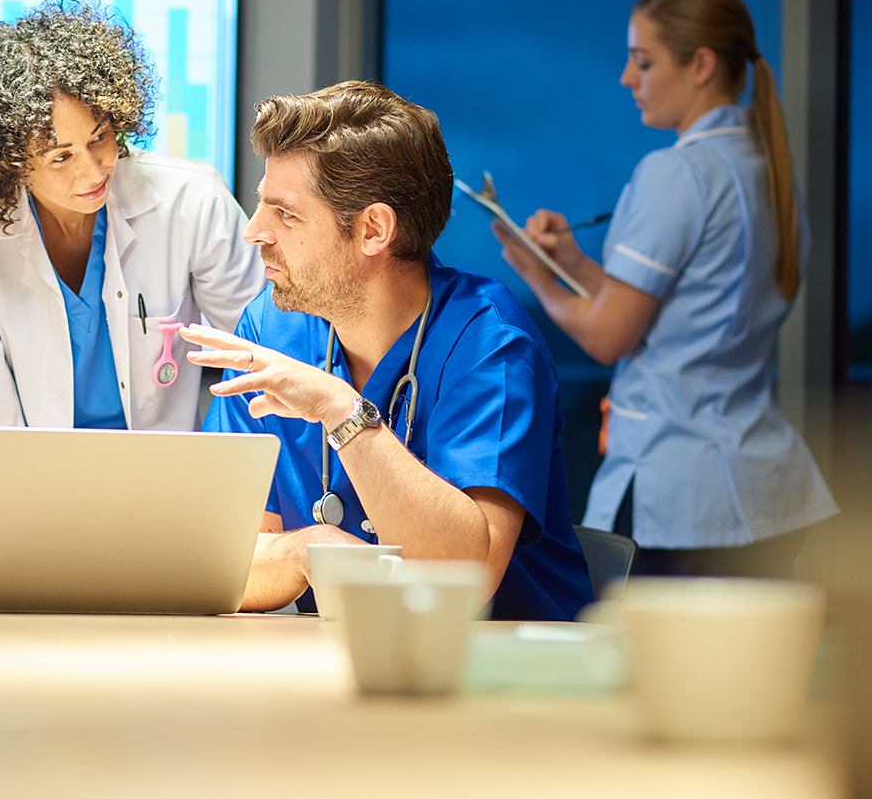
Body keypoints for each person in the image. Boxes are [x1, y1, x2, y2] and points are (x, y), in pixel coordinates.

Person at [188, 81, 593, 622]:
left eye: (285, 214)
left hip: (501, 680)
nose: (255, 232)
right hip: (345, 668)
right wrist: (309, 551)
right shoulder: (272, 327)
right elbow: (216, 563)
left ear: (373, 229)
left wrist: (342, 411)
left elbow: (461, 579)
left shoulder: (489, 344)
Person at [492, 0, 837, 577]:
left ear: (701, 64)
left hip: (680, 493)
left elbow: (608, 337)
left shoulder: (676, 173)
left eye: (643, 61)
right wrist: (571, 264)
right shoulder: (769, 174)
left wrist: (535, 275)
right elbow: (678, 310)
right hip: (766, 488)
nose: (628, 78)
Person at [0, 0, 264, 497]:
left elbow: (264, 359)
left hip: (169, 490)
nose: (93, 170)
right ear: (8, 163)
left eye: (100, 138)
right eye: (59, 156)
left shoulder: (189, 200)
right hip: (25, 502)